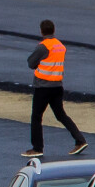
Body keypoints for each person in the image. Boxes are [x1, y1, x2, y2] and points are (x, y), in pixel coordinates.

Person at [24, 19, 88, 158]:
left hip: (43, 87)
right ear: (53, 31)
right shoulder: (60, 46)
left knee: (36, 117)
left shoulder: (43, 47)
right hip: (57, 86)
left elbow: (30, 63)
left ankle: (37, 148)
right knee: (61, 115)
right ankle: (80, 140)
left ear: (41, 31)